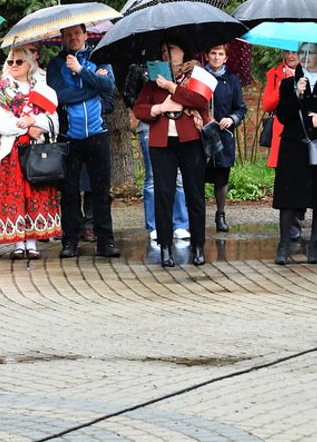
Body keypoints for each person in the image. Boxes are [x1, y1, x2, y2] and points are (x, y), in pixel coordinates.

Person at [133, 39, 210, 268]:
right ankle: (166, 248)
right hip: (161, 142)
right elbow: (139, 109)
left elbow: (200, 100)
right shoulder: (154, 79)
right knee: (163, 195)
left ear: (183, 50)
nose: (168, 54)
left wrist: (171, 88)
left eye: (172, 49)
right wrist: (159, 108)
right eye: (164, 50)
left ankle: (198, 247)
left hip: (191, 142)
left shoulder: (196, 73)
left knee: (194, 195)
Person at [47, 24, 118, 258]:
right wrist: (92, 88)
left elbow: (109, 86)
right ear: (62, 39)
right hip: (69, 137)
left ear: (86, 35)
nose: (73, 37)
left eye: (77, 33)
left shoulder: (100, 57)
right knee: (69, 192)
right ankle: (70, 241)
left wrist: (81, 71)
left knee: (101, 191)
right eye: (68, 34)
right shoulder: (56, 64)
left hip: (97, 134)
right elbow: (58, 96)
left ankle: (106, 241)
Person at [0, 45, 62, 258]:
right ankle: (18, 244)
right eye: (10, 61)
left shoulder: (43, 89)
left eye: (19, 61)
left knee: (36, 193)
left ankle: (32, 243)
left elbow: (53, 120)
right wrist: (27, 127)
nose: (14, 65)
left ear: (30, 63)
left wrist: (36, 121)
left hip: (36, 151)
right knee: (14, 196)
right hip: (11, 150)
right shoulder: (1, 88)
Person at [271, 43, 317, 265]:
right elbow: (282, 116)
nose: (305, 57)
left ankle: (315, 246)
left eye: (311, 53)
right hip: (293, 147)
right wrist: (297, 95)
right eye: (303, 53)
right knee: (288, 199)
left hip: (316, 146)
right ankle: (284, 245)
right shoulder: (289, 83)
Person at [203, 45, 246, 233]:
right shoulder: (198, 77)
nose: (216, 57)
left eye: (221, 54)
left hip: (223, 136)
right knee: (197, 177)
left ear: (226, 58)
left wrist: (232, 119)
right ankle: (195, 216)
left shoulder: (232, 80)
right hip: (201, 135)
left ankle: (220, 215)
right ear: (207, 56)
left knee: (221, 178)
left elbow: (241, 108)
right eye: (213, 53)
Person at [262, 50, 304, 245]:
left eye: (295, 52)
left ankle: (300, 214)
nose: (290, 56)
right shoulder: (274, 74)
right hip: (283, 134)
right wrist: (282, 87)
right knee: (286, 181)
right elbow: (267, 105)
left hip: (305, 133)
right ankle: (292, 227)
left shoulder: (309, 76)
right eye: (287, 52)